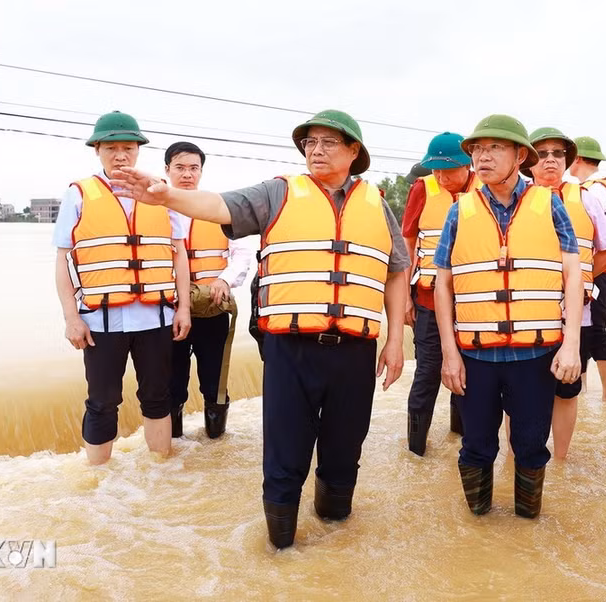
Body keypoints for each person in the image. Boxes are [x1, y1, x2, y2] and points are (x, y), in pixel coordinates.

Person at [111, 109, 409, 549]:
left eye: (329, 142)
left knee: (345, 453)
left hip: (355, 351)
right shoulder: (278, 193)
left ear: (353, 151)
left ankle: (336, 543)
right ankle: (282, 554)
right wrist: (167, 196)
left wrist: (396, 341)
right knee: (285, 454)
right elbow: (218, 205)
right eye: (310, 142)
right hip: (290, 348)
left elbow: (397, 270)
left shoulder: (376, 203)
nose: (316, 149)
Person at [433, 114, 582, 519]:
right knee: (476, 445)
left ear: (519, 155)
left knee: (532, 445)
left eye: (494, 148)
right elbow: (441, 285)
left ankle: (526, 530)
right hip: (475, 356)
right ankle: (480, 533)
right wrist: (449, 353)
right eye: (477, 150)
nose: (483, 157)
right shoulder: (459, 211)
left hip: (534, 355)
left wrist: (571, 345)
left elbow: (573, 274)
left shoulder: (550, 204)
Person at [52, 111, 191, 465]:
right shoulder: (79, 194)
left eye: (128, 148)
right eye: (111, 148)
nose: (120, 156)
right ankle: (97, 483)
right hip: (101, 322)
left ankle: (161, 472)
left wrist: (184, 308)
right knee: (102, 400)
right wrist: (71, 317)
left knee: (158, 396)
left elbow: (178, 255)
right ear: (97, 150)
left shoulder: (161, 193)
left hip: (156, 317)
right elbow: (63, 260)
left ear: (138, 151)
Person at [522, 128, 606, 459]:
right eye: (543, 153)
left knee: (567, 389)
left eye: (558, 154)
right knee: (521, 392)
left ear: (567, 161)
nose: (550, 160)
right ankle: (516, 460)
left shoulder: (586, 198)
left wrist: (584, 276)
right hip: (527, 315)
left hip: (577, 315)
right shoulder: (515, 200)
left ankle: (560, 461)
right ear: (528, 161)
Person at [164, 141, 252, 439]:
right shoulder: (155, 210)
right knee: (171, 383)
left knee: (215, 381)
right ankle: (172, 448)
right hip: (169, 309)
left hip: (212, 307)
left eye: (193, 168)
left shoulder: (218, 209)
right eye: (180, 168)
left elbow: (242, 253)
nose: (187, 174)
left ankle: (215, 446)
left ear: (201, 171)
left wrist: (225, 279)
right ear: (167, 170)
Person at [401, 132, 481, 456]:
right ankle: (415, 452)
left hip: (474, 305)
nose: (440, 176)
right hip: (428, 301)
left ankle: (460, 441)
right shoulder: (422, 189)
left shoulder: (485, 191)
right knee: (428, 372)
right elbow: (407, 244)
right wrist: (405, 297)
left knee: (469, 376)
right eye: (434, 170)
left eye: (447, 170)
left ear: (468, 165)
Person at [569, 135, 606, 402]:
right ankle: (584, 390)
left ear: (576, 159)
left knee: (595, 332)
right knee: (584, 333)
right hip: (591, 273)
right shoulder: (597, 187)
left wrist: (586, 273)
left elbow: (605, 243)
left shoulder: (593, 191)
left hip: (595, 274)